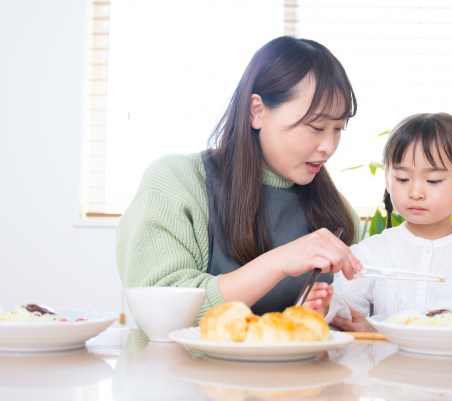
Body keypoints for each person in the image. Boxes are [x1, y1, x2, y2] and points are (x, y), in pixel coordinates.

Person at [116, 36, 363, 319]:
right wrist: (280, 261)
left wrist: (337, 315)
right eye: (316, 126)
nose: (329, 147)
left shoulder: (336, 213)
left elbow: (357, 310)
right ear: (257, 111)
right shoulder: (176, 182)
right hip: (181, 365)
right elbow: (160, 312)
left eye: (338, 129)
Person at [306, 112, 452, 331]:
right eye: (402, 179)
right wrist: (326, 306)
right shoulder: (371, 253)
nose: (415, 192)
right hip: (393, 368)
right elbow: (346, 309)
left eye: (433, 180)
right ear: (387, 178)